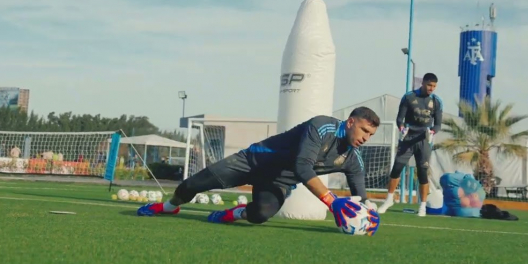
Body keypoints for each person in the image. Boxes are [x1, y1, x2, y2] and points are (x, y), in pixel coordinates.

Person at [137, 107, 381, 229]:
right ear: (350, 123)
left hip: (278, 182)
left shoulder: (353, 158)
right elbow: (303, 167)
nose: (366, 137)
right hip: (253, 161)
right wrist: (332, 201)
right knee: (191, 186)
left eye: (370, 134)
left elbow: (360, 194)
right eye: (364, 131)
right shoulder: (322, 126)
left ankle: (232, 213)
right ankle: (169, 207)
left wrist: (368, 212)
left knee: (260, 215)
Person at [377, 73, 443, 216]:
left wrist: (432, 132)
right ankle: (389, 200)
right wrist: (402, 129)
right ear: (423, 83)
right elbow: (400, 119)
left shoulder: (436, 101)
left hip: (423, 140)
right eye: (429, 85)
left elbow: (437, 124)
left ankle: (423, 206)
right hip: (408, 138)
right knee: (397, 168)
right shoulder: (409, 97)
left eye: (434, 86)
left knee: (423, 172)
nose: (431, 88)